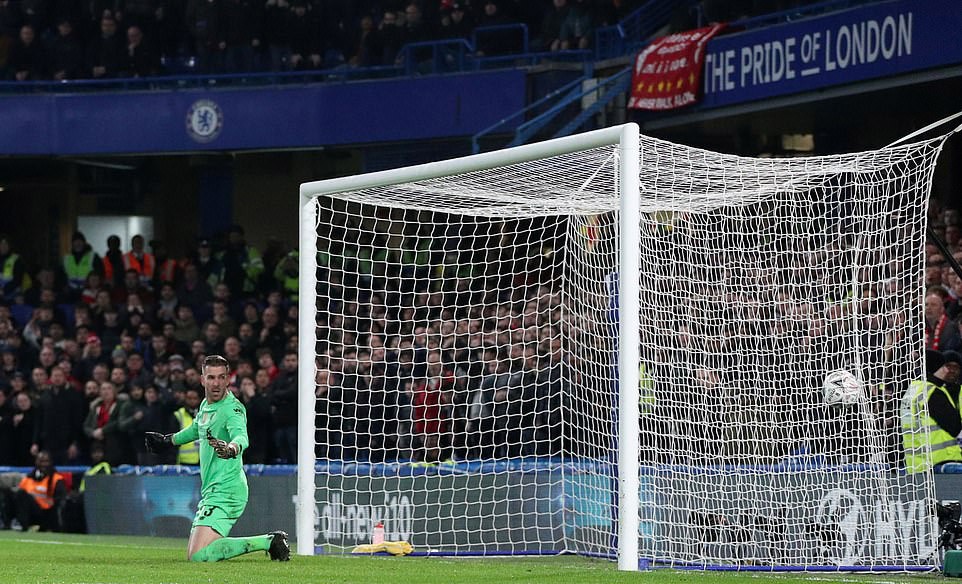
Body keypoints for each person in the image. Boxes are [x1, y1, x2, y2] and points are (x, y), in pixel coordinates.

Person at [145, 354, 290, 562]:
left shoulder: (233, 409)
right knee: (198, 553)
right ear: (202, 380)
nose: (216, 383)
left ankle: (268, 542)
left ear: (228, 379)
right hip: (215, 488)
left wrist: (231, 448)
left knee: (197, 556)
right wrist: (169, 440)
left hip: (227, 489)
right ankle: (269, 542)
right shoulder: (206, 404)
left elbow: (241, 436)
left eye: (221, 377)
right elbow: (197, 428)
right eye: (211, 378)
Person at [903, 350, 962, 473]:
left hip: (916, 463)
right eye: (944, 366)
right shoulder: (932, 392)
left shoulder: (912, 390)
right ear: (935, 368)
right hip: (941, 460)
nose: (947, 371)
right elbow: (954, 426)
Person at [13, 450, 67, 532]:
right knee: (15, 493)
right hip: (30, 512)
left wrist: (53, 501)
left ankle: (24, 525)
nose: (43, 464)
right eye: (41, 461)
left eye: (46, 461)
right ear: (36, 462)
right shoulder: (28, 478)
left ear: (51, 462)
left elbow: (62, 498)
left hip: (47, 513)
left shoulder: (56, 479)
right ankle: (15, 523)